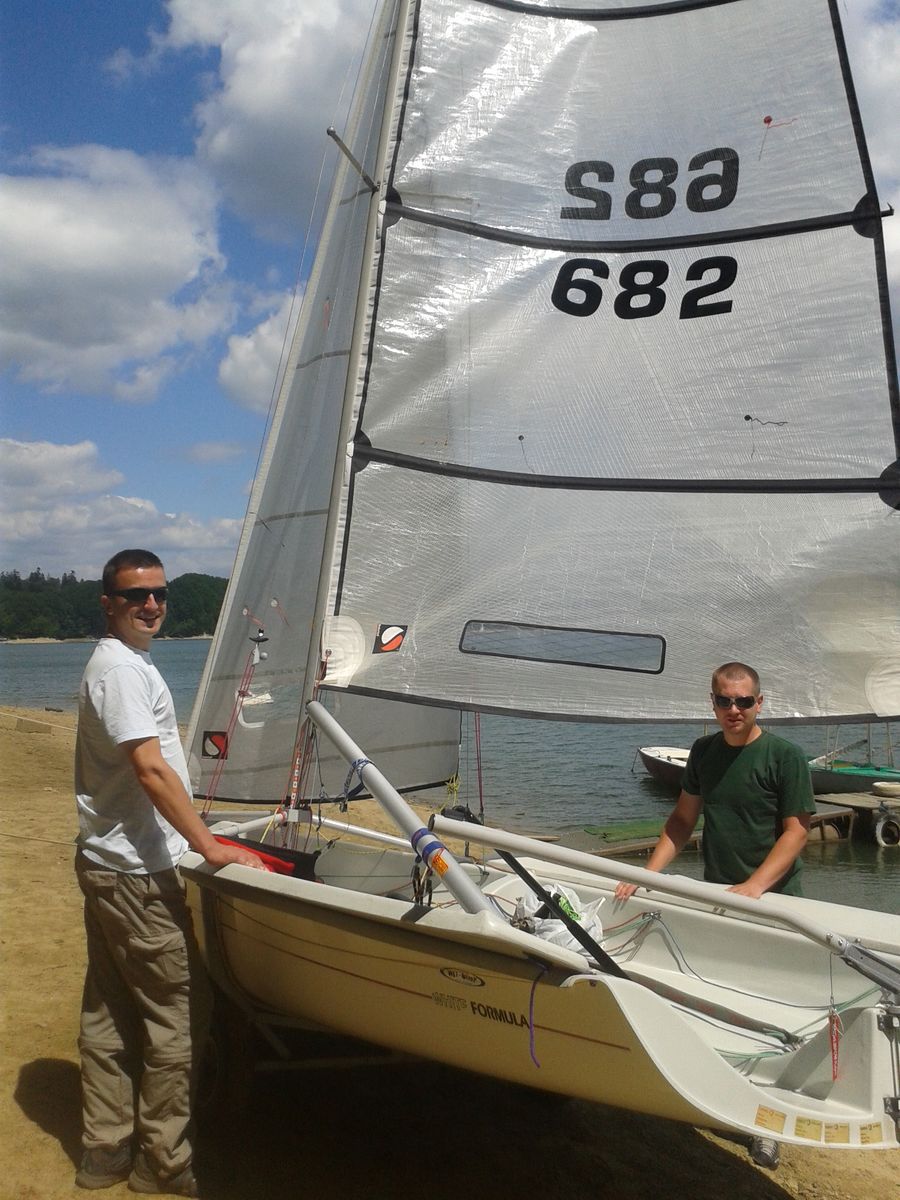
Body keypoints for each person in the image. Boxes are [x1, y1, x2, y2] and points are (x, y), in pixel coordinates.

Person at [74, 549, 265, 1196]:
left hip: (106, 861)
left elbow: (151, 769)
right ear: (109, 603)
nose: (151, 604)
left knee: (109, 1009)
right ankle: (162, 1164)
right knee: (179, 1017)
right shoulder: (122, 671)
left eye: (159, 593)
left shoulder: (121, 664)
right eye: (136, 595)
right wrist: (207, 845)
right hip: (135, 874)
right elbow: (150, 769)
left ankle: (104, 1152)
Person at [616, 662, 815, 902]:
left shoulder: (786, 756)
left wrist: (754, 885)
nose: (734, 710)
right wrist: (648, 874)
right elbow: (682, 821)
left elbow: (797, 832)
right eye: (724, 701)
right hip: (719, 890)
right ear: (713, 702)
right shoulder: (703, 750)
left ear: (759, 703)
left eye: (744, 701)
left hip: (774, 896)